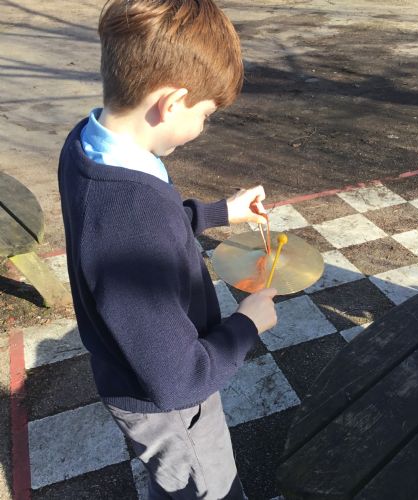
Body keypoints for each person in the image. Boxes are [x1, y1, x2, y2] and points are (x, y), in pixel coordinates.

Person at [57, 0, 278, 498]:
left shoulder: (91, 144)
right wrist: (247, 324)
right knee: (205, 486)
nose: (204, 125)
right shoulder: (129, 216)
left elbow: (147, 223)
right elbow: (180, 379)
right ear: (172, 102)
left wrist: (218, 212)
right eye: (206, 114)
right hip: (171, 409)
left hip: (139, 369)